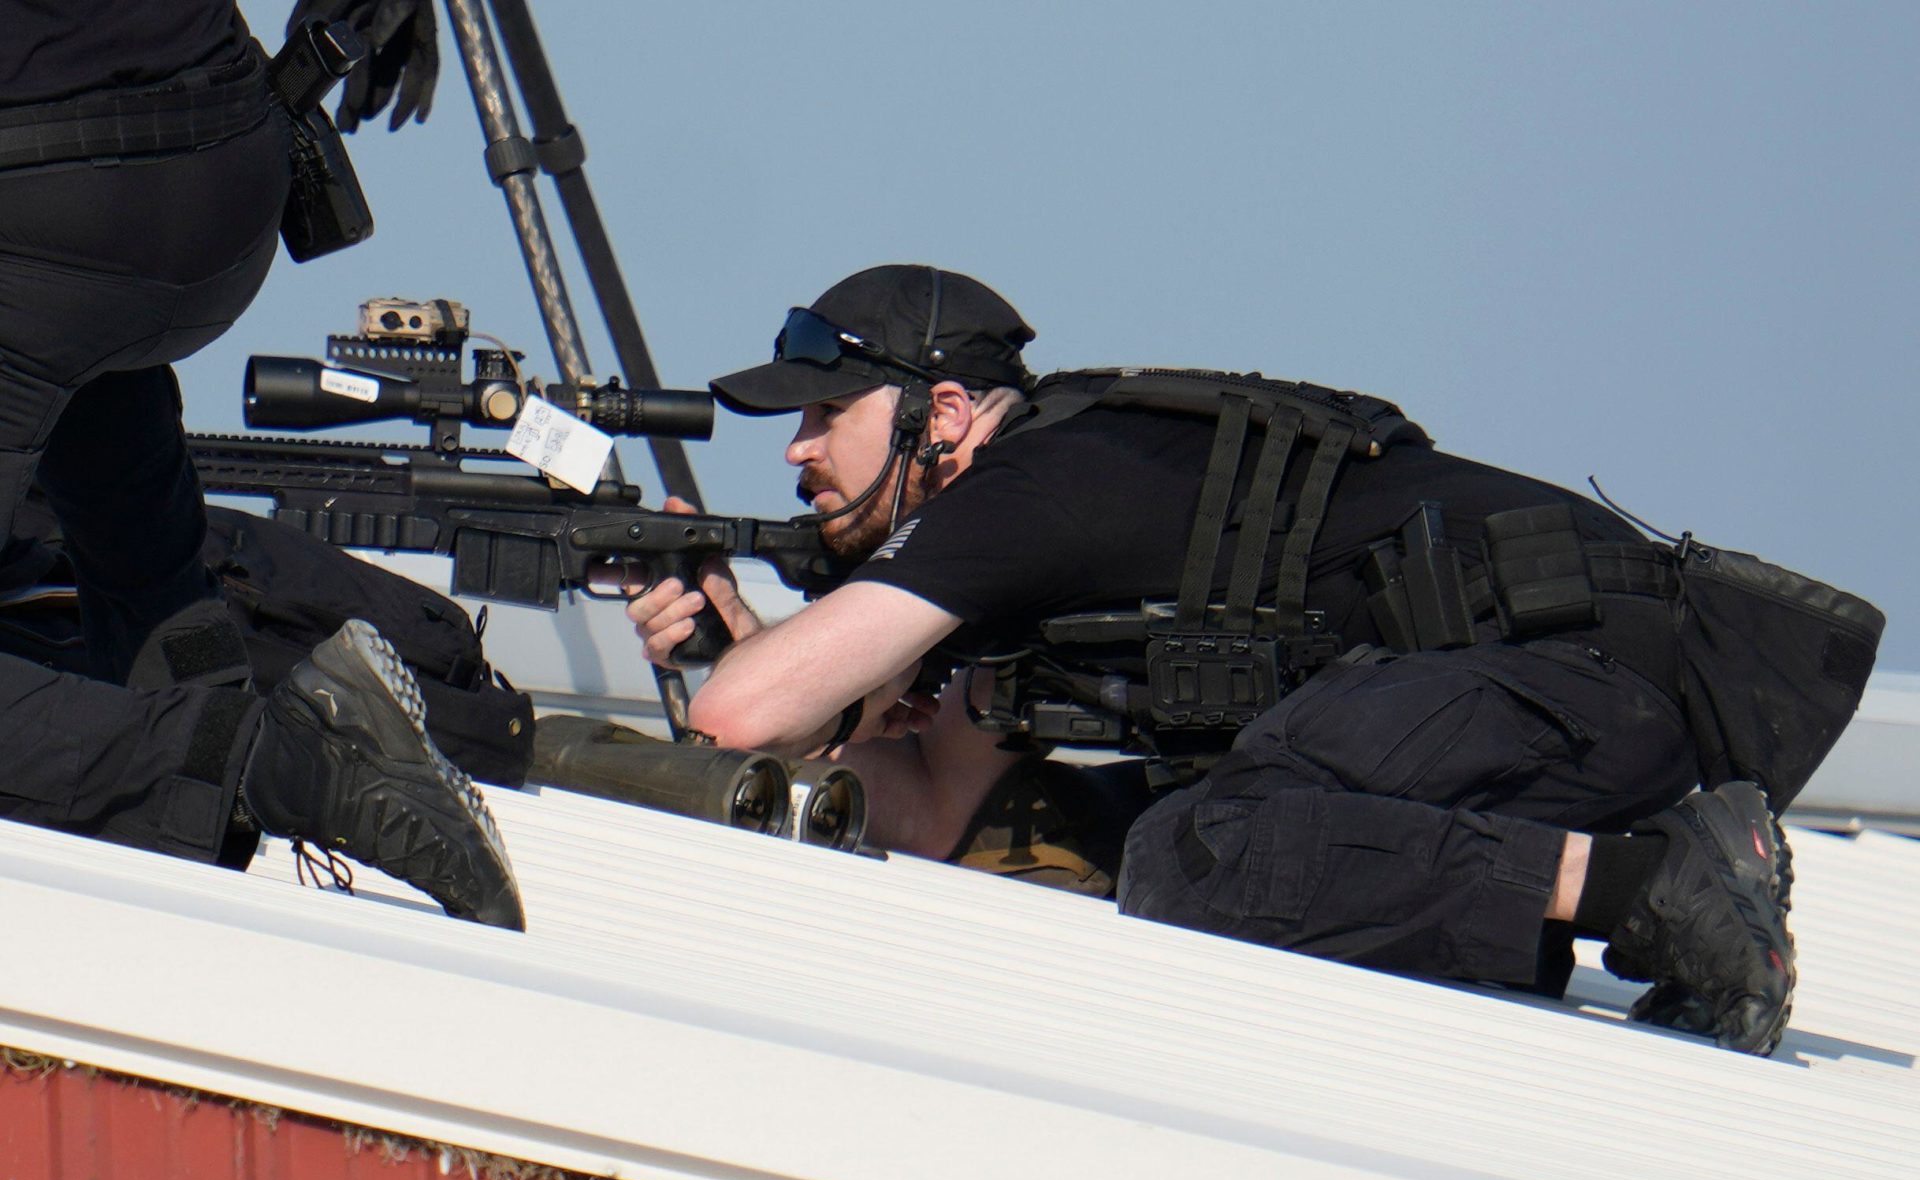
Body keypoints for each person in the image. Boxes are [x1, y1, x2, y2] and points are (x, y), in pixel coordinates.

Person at [625, 263, 1798, 1053]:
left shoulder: (1026, 492)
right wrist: (771, 659)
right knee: (1113, 832)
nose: (796, 452)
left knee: (1203, 852)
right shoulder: (1037, 514)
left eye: (827, 414)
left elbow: (734, 720)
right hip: (1529, 693)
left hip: (1578, 664)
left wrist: (765, 677)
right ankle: (1611, 898)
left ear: (941, 411)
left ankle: (1661, 887)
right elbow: (939, 810)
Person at [0, 0, 521, 927]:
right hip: (220, 169)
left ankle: (271, 761)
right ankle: (205, 696)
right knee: (141, 559)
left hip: (49, 198)